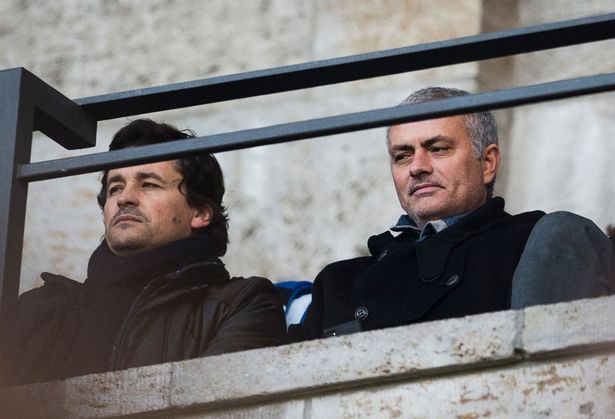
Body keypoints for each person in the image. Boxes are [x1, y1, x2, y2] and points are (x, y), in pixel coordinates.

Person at [286, 87, 614, 342]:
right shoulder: (339, 281)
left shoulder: (537, 243)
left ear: (487, 163)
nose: (417, 167)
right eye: (402, 156)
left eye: (438, 148)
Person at [0, 119, 286, 385]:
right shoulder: (38, 309)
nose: (124, 197)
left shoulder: (241, 304)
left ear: (199, 212)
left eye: (148, 184)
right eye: (115, 188)